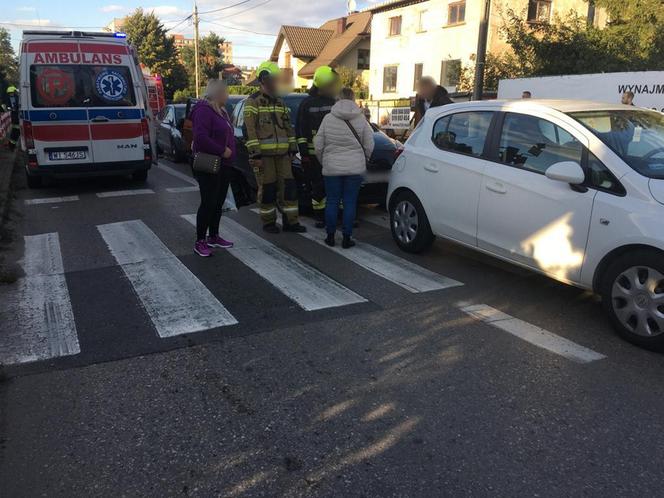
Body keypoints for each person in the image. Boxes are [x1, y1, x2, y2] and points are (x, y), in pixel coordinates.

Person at [244, 61, 307, 234]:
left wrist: (293, 149)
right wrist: (256, 155)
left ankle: (291, 222)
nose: (276, 82)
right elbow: (250, 130)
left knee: (289, 188)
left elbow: (288, 127)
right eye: (273, 79)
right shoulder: (253, 102)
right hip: (264, 157)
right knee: (268, 189)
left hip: (284, 155)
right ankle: (269, 222)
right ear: (264, 79)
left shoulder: (280, 102)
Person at [314, 87, 374, 249]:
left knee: (332, 201)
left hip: (332, 168)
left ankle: (331, 236)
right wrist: (364, 159)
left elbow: (318, 145)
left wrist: (323, 161)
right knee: (350, 202)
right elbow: (370, 144)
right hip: (355, 169)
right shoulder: (361, 119)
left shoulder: (328, 118)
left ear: (338, 99)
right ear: (353, 99)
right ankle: (347, 238)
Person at [190, 79, 235, 257]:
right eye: (225, 92)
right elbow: (200, 138)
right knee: (208, 202)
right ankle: (200, 241)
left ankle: (213, 236)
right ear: (217, 93)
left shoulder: (221, 111)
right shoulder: (203, 110)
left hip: (224, 165)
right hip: (209, 164)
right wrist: (221, 150)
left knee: (218, 202)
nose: (228, 96)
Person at [296, 66, 339, 228]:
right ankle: (320, 216)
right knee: (318, 187)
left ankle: (335, 214)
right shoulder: (306, 104)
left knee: (335, 184)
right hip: (313, 156)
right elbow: (300, 131)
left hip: (333, 152)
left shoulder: (334, 102)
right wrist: (304, 154)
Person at [6, 86, 20, 151]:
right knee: (15, 132)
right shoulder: (12, 98)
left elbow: (14, 107)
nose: (10, 94)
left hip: (16, 118)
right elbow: (11, 107)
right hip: (16, 119)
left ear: (14, 92)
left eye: (11, 93)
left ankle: (11, 145)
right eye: (9, 93)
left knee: (15, 132)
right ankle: (11, 146)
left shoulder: (17, 98)